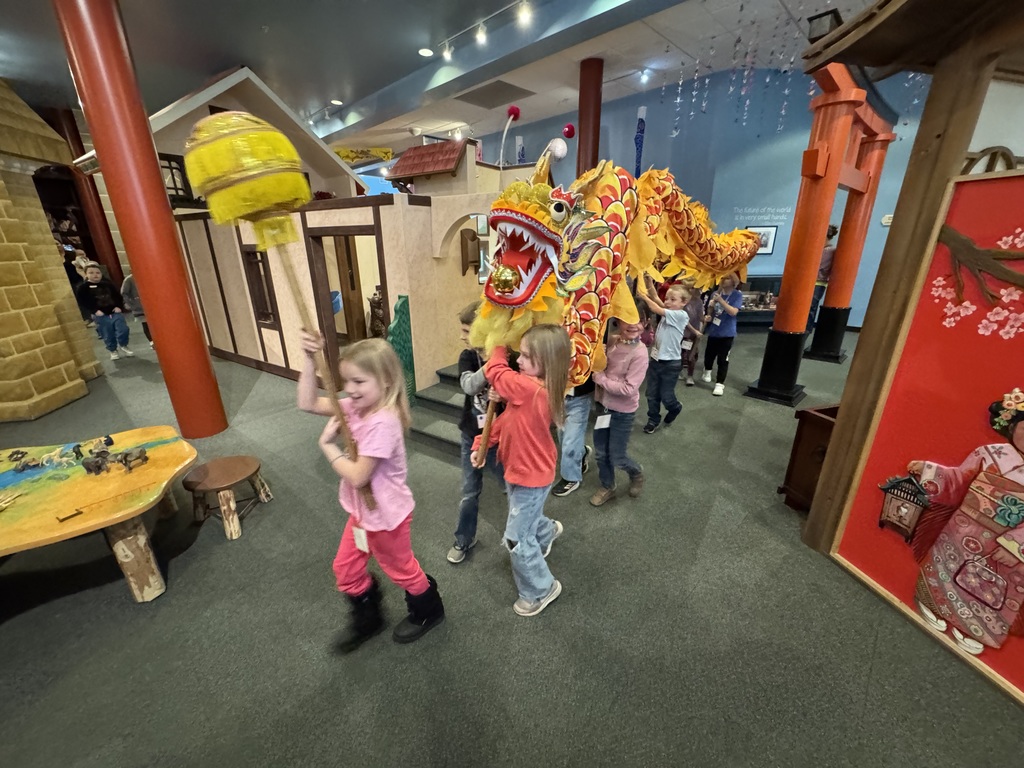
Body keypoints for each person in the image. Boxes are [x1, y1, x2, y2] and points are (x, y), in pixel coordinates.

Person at [298, 333, 444, 653]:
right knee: (345, 569)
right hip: (362, 513)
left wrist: (327, 447)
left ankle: (428, 610)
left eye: (359, 381)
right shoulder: (355, 405)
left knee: (402, 571)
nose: (349, 389)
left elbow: (359, 474)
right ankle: (369, 617)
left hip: (387, 516)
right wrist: (309, 360)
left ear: (386, 381)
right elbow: (307, 402)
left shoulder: (384, 422)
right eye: (346, 380)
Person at [903, 388, 1024, 656]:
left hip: (1006, 543)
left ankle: (974, 628)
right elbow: (959, 480)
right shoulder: (990, 452)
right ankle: (934, 605)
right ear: (1012, 425)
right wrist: (930, 471)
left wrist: (1015, 545)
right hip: (964, 527)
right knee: (948, 567)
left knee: (992, 587)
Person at [472, 324, 570, 617]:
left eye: (526, 356)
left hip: (531, 477)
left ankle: (541, 589)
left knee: (515, 537)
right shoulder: (528, 391)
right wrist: (482, 444)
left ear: (547, 363)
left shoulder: (531, 390)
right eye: (520, 354)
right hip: (520, 472)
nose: (519, 360)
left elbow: (496, 371)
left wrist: (499, 342)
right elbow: (505, 425)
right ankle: (547, 531)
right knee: (527, 514)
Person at [448, 301, 505, 564]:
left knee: (513, 488)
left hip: (500, 437)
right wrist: (492, 364)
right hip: (471, 435)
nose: (462, 336)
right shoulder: (468, 357)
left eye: (467, 330)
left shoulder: (509, 357)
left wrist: (503, 393)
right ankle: (464, 538)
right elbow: (469, 386)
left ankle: (536, 530)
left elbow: (517, 395)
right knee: (469, 491)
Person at [589, 319, 649, 506]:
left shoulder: (640, 353)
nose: (633, 325)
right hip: (603, 409)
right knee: (600, 452)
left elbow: (629, 389)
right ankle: (608, 486)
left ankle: (636, 472)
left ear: (646, 323)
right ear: (618, 322)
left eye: (640, 321)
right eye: (628, 321)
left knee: (617, 456)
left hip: (622, 412)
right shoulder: (612, 341)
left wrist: (600, 379)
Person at [638, 278, 702, 433]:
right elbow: (656, 298)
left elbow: (655, 307)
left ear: (684, 302)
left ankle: (675, 407)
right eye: (667, 298)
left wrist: (643, 296)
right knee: (651, 394)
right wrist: (648, 283)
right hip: (655, 360)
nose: (667, 302)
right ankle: (653, 419)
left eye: (673, 299)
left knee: (666, 396)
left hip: (670, 364)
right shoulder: (670, 311)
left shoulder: (680, 315)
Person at [75, 262, 133, 360]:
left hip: (115, 312)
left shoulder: (108, 285)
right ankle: (112, 350)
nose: (95, 275)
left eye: (97, 272)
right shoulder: (83, 288)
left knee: (123, 329)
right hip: (100, 315)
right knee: (107, 333)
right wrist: (94, 310)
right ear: (86, 274)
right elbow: (83, 301)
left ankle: (123, 345)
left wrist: (119, 307)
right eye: (91, 273)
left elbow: (117, 296)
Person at [551, 373, 594, 498]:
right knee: (563, 435)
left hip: (579, 398)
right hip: (558, 395)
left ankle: (571, 478)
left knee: (570, 442)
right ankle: (581, 452)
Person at [701, 274, 743, 396]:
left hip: (727, 332)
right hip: (714, 331)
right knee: (709, 355)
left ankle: (720, 383)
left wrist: (721, 301)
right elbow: (711, 311)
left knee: (723, 359)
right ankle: (707, 370)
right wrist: (708, 316)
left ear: (733, 281)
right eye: (722, 278)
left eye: (727, 278)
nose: (724, 280)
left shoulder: (737, 295)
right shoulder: (715, 293)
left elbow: (733, 312)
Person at [807, 224, 839, 332]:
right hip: (813, 281)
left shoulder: (829, 251)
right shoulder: (821, 249)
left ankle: (807, 330)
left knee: (810, 307)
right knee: (809, 307)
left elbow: (820, 267)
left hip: (818, 282)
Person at [120, 273, 153, 348]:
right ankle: (151, 341)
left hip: (150, 305)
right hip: (138, 307)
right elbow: (124, 293)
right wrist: (131, 304)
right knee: (146, 324)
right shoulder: (129, 279)